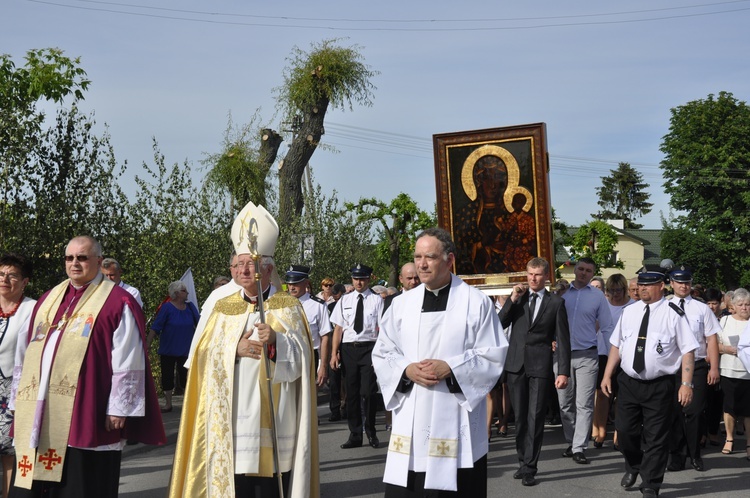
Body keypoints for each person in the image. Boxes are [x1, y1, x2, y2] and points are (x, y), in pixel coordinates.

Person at [168, 202, 319, 498]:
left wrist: (277, 340)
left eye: (252, 263)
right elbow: (200, 355)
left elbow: (304, 358)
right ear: (232, 269)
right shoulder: (222, 306)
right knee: (238, 482)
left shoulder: (288, 306)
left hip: (277, 411)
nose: (244, 270)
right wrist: (232, 347)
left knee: (272, 483)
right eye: (239, 264)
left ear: (269, 268)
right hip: (233, 412)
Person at [10, 236, 164, 497]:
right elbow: (24, 352)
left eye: (82, 257)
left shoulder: (117, 302)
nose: (75, 263)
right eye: (69, 258)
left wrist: (118, 408)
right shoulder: (49, 299)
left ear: (98, 261)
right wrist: (18, 399)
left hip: (88, 409)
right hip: (39, 409)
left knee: (81, 485)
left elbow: (128, 358)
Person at [372, 227, 507, 496]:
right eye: (418, 256)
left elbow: (493, 354)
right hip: (412, 415)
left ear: (449, 259)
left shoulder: (475, 302)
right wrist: (407, 369)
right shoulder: (401, 305)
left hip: (457, 417)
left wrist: (452, 368)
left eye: (430, 257)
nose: (421, 264)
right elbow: (383, 352)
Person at [601, 271, 698, 497]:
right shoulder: (629, 311)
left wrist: (686, 383)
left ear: (661, 286)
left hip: (659, 385)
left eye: (648, 285)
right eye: (640, 286)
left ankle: (650, 484)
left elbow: (688, 350)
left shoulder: (674, 314)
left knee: (657, 437)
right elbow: (616, 345)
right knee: (625, 432)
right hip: (629, 382)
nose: (642, 289)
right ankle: (634, 465)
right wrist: (607, 375)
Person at [498, 257, 570, 486]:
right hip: (516, 365)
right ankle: (522, 461)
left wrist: (563, 372)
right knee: (519, 419)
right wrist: (512, 298)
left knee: (535, 417)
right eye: (530, 274)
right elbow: (499, 323)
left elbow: (563, 340)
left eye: (537, 274)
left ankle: (530, 467)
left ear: (546, 276)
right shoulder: (518, 299)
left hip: (540, 366)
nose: (532, 278)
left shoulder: (556, 303)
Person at [558, 257, 614, 464]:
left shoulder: (598, 296)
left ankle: (579, 447)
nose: (583, 273)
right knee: (564, 403)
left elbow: (607, 326)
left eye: (588, 270)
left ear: (593, 273)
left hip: (587, 355)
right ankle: (571, 440)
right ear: (575, 270)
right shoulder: (561, 292)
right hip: (561, 356)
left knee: (584, 404)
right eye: (580, 269)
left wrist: (611, 357)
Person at [666, 267, 720, 472]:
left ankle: (695, 453)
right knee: (674, 412)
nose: (683, 286)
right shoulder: (664, 306)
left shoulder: (701, 309)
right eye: (679, 282)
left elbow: (711, 338)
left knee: (695, 412)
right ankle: (676, 455)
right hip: (672, 367)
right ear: (671, 283)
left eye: (687, 282)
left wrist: (713, 367)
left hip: (697, 365)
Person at [330, 263, 383, 449]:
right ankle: (355, 434)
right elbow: (338, 329)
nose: (358, 282)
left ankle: (371, 431)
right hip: (349, 349)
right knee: (351, 394)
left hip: (369, 347)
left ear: (368, 279)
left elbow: (382, 329)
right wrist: (333, 353)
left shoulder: (377, 301)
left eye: (362, 278)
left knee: (368, 393)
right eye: (355, 278)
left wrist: (380, 354)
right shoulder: (344, 300)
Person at [0, 254, 35, 498]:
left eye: (12, 275)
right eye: (1, 274)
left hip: (13, 390)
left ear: (24, 282)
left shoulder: (33, 309)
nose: (5, 279)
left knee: (9, 452)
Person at [146, 280, 200, 413]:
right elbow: (156, 327)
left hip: (186, 350)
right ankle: (168, 403)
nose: (187, 293)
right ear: (176, 293)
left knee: (185, 377)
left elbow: (200, 326)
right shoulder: (166, 308)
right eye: (184, 291)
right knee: (167, 376)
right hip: (168, 349)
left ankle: (187, 404)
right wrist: (147, 344)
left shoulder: (191, 307)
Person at [591, 273, 632, 449]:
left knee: (621, 397)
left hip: (624, 357)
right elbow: (594, 327)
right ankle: (599, 431)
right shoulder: (603, 305)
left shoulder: (633, 307)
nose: (615, 294)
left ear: (625, 290)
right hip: (603, 353)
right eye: (611, 290)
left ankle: (618, 434)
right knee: (602, 394)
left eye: (618, 290)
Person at [716, 288, 750, 458]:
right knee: (729, 407)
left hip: (748, 372)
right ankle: (729, 439)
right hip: (729, 370)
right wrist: (727, 349)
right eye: (741, 304)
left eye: (748, 304)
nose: (744, 307)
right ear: (733, 306)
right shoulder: (725, 321)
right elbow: (716, 345)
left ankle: (749, 442)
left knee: (748, 410)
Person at [284, 265, 331, 386]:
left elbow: (325, 336)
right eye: (289, 284)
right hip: (287, 353)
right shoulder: (282, 305)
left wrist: (323, 366)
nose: (292, 287)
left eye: (296, 283)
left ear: (306, 283)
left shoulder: (318, 305)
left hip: (309, 354)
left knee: (308, 397)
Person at [326, 283, 347, 422]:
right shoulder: (330, 307)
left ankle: (346, 407)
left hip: (346, 347)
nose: (335, 298)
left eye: (337, 295)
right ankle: (335, 410)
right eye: (333, 295)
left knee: (346, 381)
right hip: (332, 347)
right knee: (334, 381)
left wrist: (340, 350)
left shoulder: (347, 305)